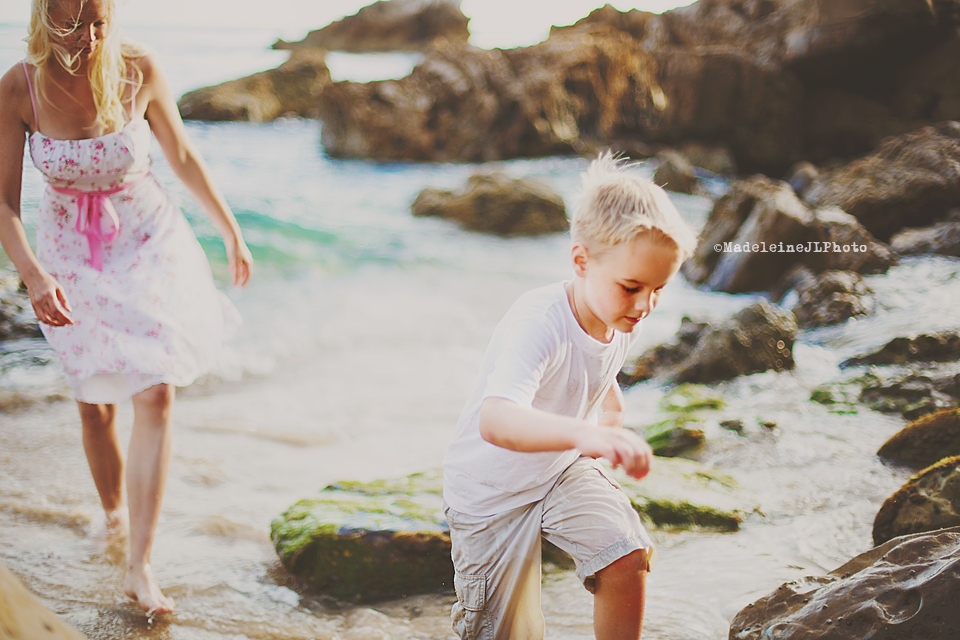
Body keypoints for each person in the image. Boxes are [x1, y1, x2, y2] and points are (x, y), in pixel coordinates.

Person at [0, 0, 253, 615]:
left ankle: (140, 564)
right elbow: (4, 202)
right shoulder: (18, 87)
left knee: (156, 391)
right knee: (94, 408)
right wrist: (31, 275)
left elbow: (183, 157)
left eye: (96, 23)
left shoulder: (139, 68)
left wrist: (230, 230)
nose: (84, 38)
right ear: (42, 15)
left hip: (146, 236)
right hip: (67, 253)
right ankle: (113, 518)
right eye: (69, 23)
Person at [442, 153, 698, 640]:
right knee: (505, 632)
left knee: (625, 554)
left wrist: (609, 421)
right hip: (489, 495)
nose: (645, 306)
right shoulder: (540, 322)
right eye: (632, 287)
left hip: (560, 470)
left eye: (658, 290)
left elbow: (598, 373)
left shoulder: (621, 315)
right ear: (581, 261)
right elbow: (497, 419)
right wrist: (583, 432)